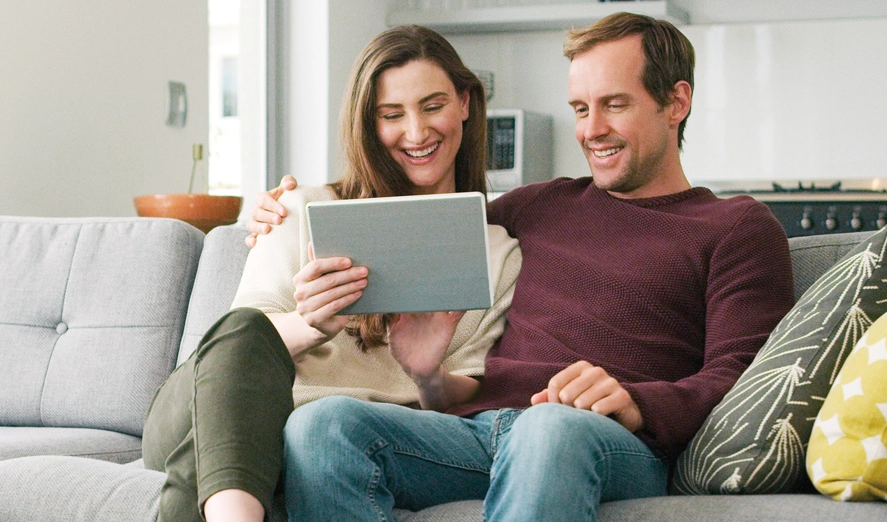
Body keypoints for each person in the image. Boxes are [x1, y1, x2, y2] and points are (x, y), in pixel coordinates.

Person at [247, 12, 797, 521]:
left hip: (606, 442)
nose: (591, 129)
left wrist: (635, 401)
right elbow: (409, 220)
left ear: (676, 102)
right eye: (581, 109)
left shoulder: (736, 227)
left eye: (615, 104)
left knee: (549, 428)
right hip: (480, 433)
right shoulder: (539, 206)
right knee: (323, 426)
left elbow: (743, 378)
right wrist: (288, 208)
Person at [140, 25, 523, 522]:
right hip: (225, 413)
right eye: (391, 115)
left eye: (432, 106)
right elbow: (234, 352)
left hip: (332, 442)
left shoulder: (498, 252)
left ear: (465, 103)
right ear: (368, 123)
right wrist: (309, 324)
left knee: (232, 457)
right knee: (245, 340)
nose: (416, 131)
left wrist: (427, 373)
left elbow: (470, 407)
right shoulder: (300, 210)